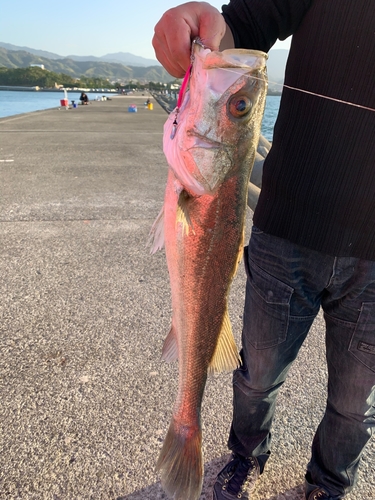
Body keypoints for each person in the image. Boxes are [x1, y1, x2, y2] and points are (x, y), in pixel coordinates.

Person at [152, 1, 375, 499]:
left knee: (356, 405)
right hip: (286, 228)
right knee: (256, 378)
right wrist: (201, 24)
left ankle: (330, 484)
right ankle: (244, 454)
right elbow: (244, 27)